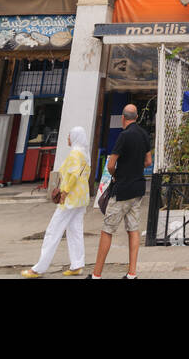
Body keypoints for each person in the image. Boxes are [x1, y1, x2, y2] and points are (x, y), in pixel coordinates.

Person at [89, 105, 152, 280]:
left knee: (107, 230)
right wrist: (135, 167)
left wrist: (117, 174)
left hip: (122, 189)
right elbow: (148, 161)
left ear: (123, 118)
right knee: (133, 230)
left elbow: (110, 164)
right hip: (138, 189)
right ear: (137, 116)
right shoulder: (144, 135)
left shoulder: (123, 136)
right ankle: (132, 273)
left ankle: (97, 275)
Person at [21, 126, 90, 278]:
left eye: (69, 136)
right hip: (81, 198)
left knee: (53, 231)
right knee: (75, 231)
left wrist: (64, 191)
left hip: (70, 198)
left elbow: (72, 176)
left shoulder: (75, 153)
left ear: (75, 137)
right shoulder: (85, 153)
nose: (67, 138)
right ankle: (77, 264)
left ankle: (39, 268)